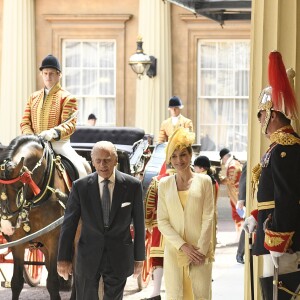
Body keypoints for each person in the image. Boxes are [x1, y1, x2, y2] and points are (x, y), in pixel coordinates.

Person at [57, 141, 145, 300]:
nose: (102, 165)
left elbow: (139, 225)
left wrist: (139, 257)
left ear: (116, 160)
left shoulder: (133, 186)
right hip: (88, 256)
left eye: (107, 160)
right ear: (92, 161)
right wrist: (63, 258)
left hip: (119, 256)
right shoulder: (80, 187)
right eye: (98, 161)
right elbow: (68, 225)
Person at [243, 51, 300, 293]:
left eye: (261, 115)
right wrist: (256, 214)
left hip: (283, 238)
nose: (260, 121)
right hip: (272, 230)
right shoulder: (277, 147)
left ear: (272, 115)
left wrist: (278, 237)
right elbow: (273, 195)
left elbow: (287, 197)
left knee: (279, 291)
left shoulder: (285, 149)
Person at [157, 128, 215, 300]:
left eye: (183, 154)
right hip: (175, 251)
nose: (178, 160)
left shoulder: (204, 181)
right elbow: (162, 221)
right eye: (174, 156)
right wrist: (183, 246)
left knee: (200, 295)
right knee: (176, 295)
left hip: (199, 253)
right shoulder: (164, 184)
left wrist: (200, 251)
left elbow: (208, 217)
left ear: (190, 155)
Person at [20, 54, 87, 178]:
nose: (48, 76)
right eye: (45, 73)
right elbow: (25, 122)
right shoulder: (33, 97)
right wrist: (30, 136)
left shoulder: (67, 97)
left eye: (51, 73)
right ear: (42, 74)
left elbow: (70, 124)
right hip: (34, 143)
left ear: (59, 75)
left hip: (59, 144)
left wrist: (52, 133)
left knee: (81, 171)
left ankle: (81, 195)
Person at [143, 163, 175, 300]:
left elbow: (149, 204)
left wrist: (148, 222)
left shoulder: (157, 180)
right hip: (181, 227)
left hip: (160, 227)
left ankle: (156, 292)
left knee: (158, 260)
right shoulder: (187, 179)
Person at [193, 155, 219, 254]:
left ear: (201, 168)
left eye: (195, 167)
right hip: (212, 215)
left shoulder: (201, 179)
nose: (194, 169)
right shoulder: (213, 180)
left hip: (201, 216)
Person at [219, 148, 243, 236]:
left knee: (239, 213)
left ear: (224, 157)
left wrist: (221, 180)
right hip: (236, 194)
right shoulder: (234, 163)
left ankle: (240, 234)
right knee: (238, 213)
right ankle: (240, 233)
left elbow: (231, 180)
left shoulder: (232, 165)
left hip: (237, 194)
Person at [236, 161, 247, 264]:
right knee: (247, 226)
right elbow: (243, 181)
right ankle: (240, 253)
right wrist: (241, 199)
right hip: (250, 199)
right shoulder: (249, 162)